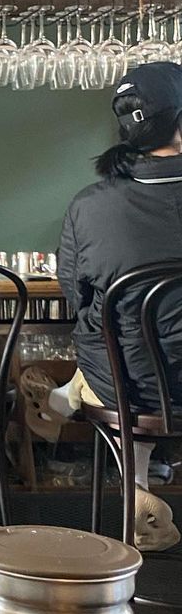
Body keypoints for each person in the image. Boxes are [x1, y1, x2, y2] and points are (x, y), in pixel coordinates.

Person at [59, 61, 182, 551]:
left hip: (130, 389)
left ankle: (136, 482)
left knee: (113, 356)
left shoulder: (88, 205)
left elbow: (76, 298)